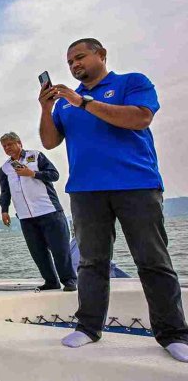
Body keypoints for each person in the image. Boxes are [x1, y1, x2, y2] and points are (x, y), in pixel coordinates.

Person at [39, 37, 188, 362]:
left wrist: (84, 103)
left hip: (136, 185)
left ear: (102, 55)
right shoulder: (64, 103)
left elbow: (139, 118)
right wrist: (46, 108)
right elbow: (49, 142)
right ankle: (88, 327)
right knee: (90, 262)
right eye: (70, 62)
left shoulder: (132, 83)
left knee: (152, 260)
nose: (75, 65)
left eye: (80, 57)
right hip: (85, 191)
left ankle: (173, 334)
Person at [0, 132, 77, 291]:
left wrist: (33, 174)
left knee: (60, 249)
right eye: (4, 146)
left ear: (19, 143)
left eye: (10, 144)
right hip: (26, 217)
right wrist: (4, 210)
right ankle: (51, 281)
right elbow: (5, 191)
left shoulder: (35, 156)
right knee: (38, 252)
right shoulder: (5, 168)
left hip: (49, 211)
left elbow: (54, 175)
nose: (7, 148)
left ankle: (69, 280)